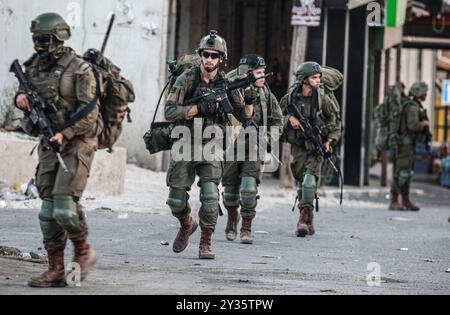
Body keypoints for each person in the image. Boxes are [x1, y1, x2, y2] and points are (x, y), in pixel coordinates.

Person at [14, 13, 101, 287]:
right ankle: (56, 269)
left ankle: (84, 251)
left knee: (64, 209)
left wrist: (66, 133)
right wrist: (21, 100)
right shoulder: (33, 69)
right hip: (49, 144)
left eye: (44, 39)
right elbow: (24, 96)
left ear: (58, 39)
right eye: (36, 39)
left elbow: (90, 112)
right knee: (47, 212)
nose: (38, 44)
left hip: (78, 144)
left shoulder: (80, 70)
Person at [164, 31, 252, 259]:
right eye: (206, 54)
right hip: (185, 141)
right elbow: (170, 111)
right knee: (175, 199)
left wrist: (248, 98)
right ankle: (187, 223)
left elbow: (243, 117)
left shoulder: (227, 84)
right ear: (200, 55)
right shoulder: (186, 80)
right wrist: (198, 109)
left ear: (221, 58)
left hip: (212, 145)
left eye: (214, 55)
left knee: (211, 197)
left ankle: (206, 242)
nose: (210, 59)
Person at [222, 54, 283, 244]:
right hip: (231, 147)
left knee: (248, 189)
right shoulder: (231, 89)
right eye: (259, 73)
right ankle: (233, 218)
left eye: (263, 73)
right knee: (230, 192)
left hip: (254, 148)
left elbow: (278, 121)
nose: (263, 77)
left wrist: (265, 140)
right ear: (248, 74)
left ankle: (246, 227)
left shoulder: (266, 94)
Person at [280, 62, 342, 237]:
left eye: (319, 77)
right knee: (302, 184)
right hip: (298, 147)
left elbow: (335, 122)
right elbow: (276, 116)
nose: (318, 80)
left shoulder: (323, 99)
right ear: (304, 80)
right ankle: (309, 218)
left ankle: (302, 218)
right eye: (314, 77)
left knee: (308, 182)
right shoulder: (291, 97)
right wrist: (289, 119)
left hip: (317, 147)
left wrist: (328, 142)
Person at [389, 81, 430, 211]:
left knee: (406, 173)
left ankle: (405, 200)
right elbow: (412, 125)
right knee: (401, 172)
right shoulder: (412, 107)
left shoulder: (414, 105)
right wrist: (423, 124)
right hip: (405, 145)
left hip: (408, 144)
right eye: (424, 93)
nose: (426, 95)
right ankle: (394, 200)